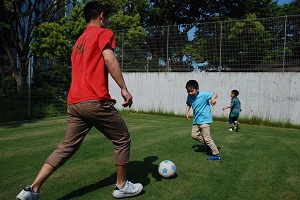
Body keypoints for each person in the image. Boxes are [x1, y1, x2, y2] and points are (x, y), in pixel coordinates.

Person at [16, 2, 143, 200]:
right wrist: (124, 89)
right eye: (106, 17)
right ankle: (121, 186)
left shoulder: (78, 43)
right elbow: (110, 60)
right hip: (94, 101)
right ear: (101, 16)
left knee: (67, 146)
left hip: (74, 103)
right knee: (122, 138)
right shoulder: (104, 33)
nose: (107, 21)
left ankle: (31, 190)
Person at [185, 80, 221, 161]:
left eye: (192, 91)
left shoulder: (203, 95)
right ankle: (208, 145)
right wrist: (187, 112)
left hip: (205, 120)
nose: (190, 93)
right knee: (194, 135)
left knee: (207, 138)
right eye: (188, 91)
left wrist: (213, 98)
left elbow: (215, 94)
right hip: (196, 121)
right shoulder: (189, 97)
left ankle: (216, 154)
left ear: (197, 89)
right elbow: (188, 104)